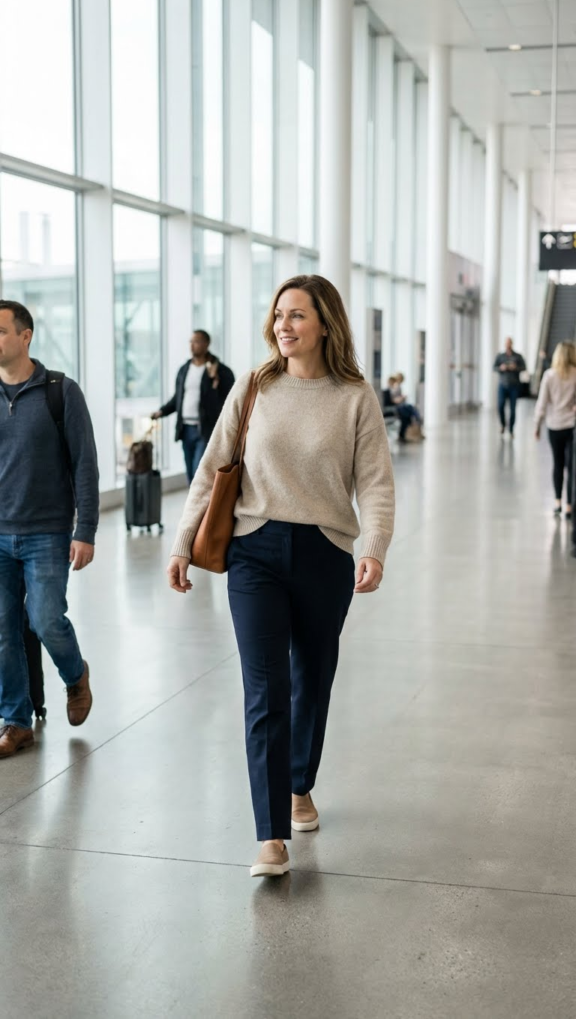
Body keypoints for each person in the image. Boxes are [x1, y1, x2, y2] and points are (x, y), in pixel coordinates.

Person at [166, 275, 395, 879]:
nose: (283, 326)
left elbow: (373, 481)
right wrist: (183, 542)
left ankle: (299, 784)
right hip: (253, 551)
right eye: (277, 316)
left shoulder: (354, 396)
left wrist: (373, 546)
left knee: (312, 679)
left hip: (324, 551)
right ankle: (270, 836)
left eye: (296, 315)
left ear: (325, 323)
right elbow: (214, 464)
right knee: (265, 690)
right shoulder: (254, 384)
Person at [0, 300, 99, 759]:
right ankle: (16, 721)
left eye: (1, 331)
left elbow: (85, 466)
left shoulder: (61, 391)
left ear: (25, 336)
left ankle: (75, 675)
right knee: (2, 630)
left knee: (44, 619)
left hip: (47, 532)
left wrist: (87, 530)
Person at [152, 330, 234, 483]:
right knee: (190, 471)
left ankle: (202, 504)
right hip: (186, 428)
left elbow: (229, 401)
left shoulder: (221, 371)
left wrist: (215, 383)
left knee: (199, 470)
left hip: (206, 429)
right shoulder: (184, 370)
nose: (192, 345)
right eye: (191, 341)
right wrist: (161, 411)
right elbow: (178, 398)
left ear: (206, 344)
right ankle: (195, 504)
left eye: (196, 341)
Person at [534, 341, 576, 519]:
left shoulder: (549, 375)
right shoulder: (575, 375)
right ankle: (569, 505)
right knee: (572, 467)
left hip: (554, 426)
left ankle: (557, 502)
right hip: (572, 425)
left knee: (558, 464)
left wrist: (537, 425)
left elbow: (541, 404)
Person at [493, 337, 526, 437]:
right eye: (506, 343)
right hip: (503, 385)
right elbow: (494, 367)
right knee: (500, 406)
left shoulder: (518, 356)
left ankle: (511, 429)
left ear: (512, 344)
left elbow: (524, 367)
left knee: (513, 409)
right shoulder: (500, 356)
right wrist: (501, 368)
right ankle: (503, 425)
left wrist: (515, 368)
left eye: (509, 343)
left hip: (514, 385)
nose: (508, 345)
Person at [388, 372, 423, 442]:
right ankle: (417, 419)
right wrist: (402, 398)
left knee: (408, 413)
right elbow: (394, 400)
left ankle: (415, 422)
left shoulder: (396, 387)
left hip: (400, 406)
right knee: (410, 409)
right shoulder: (394, 387)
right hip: (397, 407)